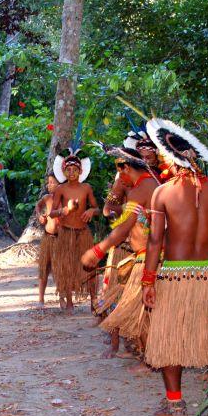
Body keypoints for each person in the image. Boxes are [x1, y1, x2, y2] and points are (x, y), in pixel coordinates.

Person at [141, 118, 208, 416]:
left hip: (175, 275)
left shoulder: (163, 193)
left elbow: (154, 242)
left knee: (169, 336)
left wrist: (148, 281)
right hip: (207, 273)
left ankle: (175, 402)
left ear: (172, 158)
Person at [81, 146, 158, 361]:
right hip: (142, 254)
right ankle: (142, 353)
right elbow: (109, 210)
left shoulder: (144, 187)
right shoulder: (147, 184)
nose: (120, 178)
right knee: (135, 306)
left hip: (148, 256)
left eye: (121, 171)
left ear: (127, 168)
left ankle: (149, 357)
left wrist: (97, 250)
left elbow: (124, 227)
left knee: (143, 308)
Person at [49, 141, 100, 314]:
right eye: (68, 170)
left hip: (83, 233)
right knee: (67, 267)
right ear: (63, 171)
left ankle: (94, 300)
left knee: (90, 266)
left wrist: (92, 211)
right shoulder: (61, 189)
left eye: (75, 169)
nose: (71, 172)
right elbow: (52, 213)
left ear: (80, 171)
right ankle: (69, 302)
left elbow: (98, 208)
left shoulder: (86, 188)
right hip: (66, 233)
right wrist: (63, 210)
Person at [35, 173, 59, 306]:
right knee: (44, 268)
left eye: (52, 182)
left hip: (61, 239)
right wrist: (40, 215)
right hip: (47, 237)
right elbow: (38, 206)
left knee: (61, 269)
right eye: (48, 182)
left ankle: (63, 298)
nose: (48, 185)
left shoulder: (65, 199)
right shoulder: (46, 198)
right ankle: (41, 299)